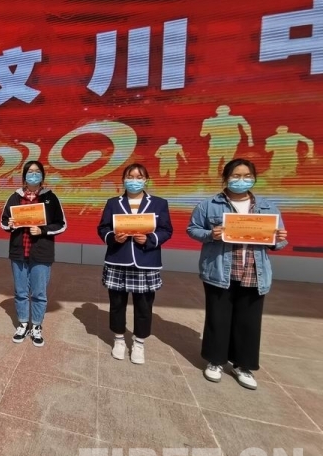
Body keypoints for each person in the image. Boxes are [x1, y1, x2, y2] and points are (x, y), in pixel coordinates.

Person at [187, 158, 288, 390]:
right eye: (236, 176)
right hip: (219, 270)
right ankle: (215, 361)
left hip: (254, 271)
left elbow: (279, 241)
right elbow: (193, 229)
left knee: (249, 321)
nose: (241, 180)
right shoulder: (209, 205)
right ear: (226, 177)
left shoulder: (267, 207)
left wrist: (278, 239)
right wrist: (211, 234)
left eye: (246, 176)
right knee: (218, 317)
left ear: (254, 178)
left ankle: (243, 366)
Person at [97, 163, 173, 364]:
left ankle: (139, 342)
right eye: (130, 177)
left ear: (146, 180)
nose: (134, 181)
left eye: (139, 177)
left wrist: (150, 239)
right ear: (123, 180)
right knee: (117, 304)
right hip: (118, 259)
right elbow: (103, 228)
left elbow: (166, 230)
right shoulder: (113, 203)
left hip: (146, 261)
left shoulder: (159, 203)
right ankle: (119, 339)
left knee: (144, 306)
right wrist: (113, 237)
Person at [0, 161, 66, 347]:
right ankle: (23, 323)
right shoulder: (14, 197)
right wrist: (10, 225)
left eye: (37, 172)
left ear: (42, 176)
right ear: (24, 176)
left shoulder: (50, 198)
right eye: (30, 171)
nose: (33, 175)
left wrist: (42, 230)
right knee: (20, 292)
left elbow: (61, 224)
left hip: (41, 253)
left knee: (39, 292)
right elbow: (3, 222)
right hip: (19, 253)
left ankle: (36, 325)